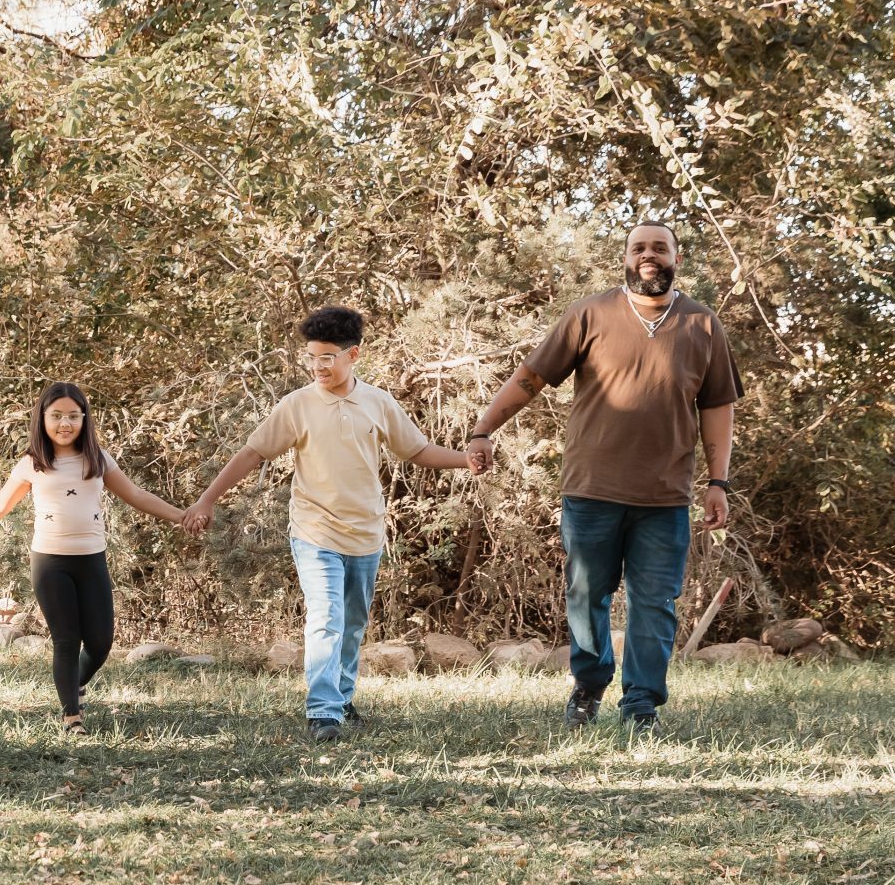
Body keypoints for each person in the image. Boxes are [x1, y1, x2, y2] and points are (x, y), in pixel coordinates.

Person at [464, 221, 740, 735]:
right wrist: (484, 429)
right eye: (639, 248)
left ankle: (641, 706)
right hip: (591, 489)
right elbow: (532, 377)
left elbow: (718, 407)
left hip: (665, 496)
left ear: (677, 258)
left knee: (655, 603)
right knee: (586, 594)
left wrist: (718, 482)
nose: (649, 255)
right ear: (626, 258)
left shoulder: (702, 325)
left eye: (660, 247)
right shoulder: (589, 314)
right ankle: (589, 688)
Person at [182, 305, 474, 741]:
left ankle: (341, 697)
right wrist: (207, 499)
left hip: (366, 532)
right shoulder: (297, 405)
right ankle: (323, 712)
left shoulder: (378, 402)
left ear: (353, 355)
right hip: (315, 530)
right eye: (311, 357)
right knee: (326, 617)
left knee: (352, 624)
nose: (317, 366)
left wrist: (465, 460)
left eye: (327, 358)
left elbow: (417, 451)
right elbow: (253, 453)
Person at [0, 381, 185, 730]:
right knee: (67, 639)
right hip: (50, 562)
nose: (65, 423)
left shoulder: (97, 459)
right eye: (56, 416)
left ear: (84, 418)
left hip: (91, 560)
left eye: (73, 415)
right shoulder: (33, 463)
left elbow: (136, 495)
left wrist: (182, 516)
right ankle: (72, 716)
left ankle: (75, 683)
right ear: (42, 419)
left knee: (100, 642)